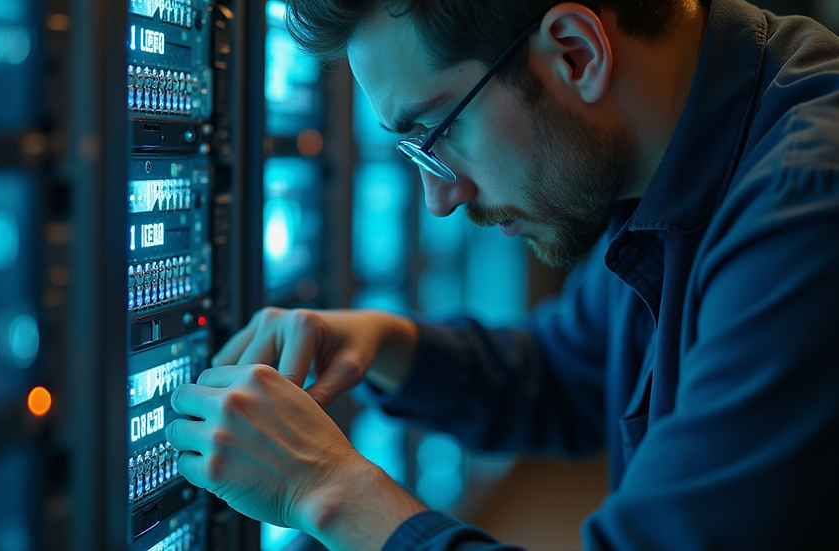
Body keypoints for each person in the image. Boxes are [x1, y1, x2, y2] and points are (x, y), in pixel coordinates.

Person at [165, 0, 839, 548]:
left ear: (576, 52)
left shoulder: (807, 207)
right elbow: (572, 373)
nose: (441, 197)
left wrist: (323, 487)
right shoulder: (680, 158)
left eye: (438, 130)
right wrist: (383, 343)